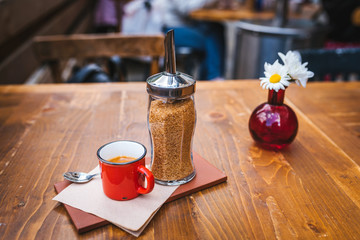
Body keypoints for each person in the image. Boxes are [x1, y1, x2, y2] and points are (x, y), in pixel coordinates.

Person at [122, 0, 225, 81]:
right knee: (211, 40)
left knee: (214, 30)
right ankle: (212, 77)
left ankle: (211, 77)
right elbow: (187, 8)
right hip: (167, 29)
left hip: (182, 26)